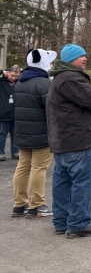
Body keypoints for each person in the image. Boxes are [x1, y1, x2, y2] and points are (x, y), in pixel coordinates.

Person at [47, 43, 91, 238]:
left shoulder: (61, 78)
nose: (85, 58)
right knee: (83, 182)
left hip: (63, 141)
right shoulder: (71, 78)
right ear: (71, 60)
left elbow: (83, 100)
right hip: (78, 141)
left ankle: (62, 222)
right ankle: (78, 224)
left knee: (63, 183)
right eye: (81, 56)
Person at [12, 49, 57, 218]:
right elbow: (52, 108)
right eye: (50, 62)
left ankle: (19, 204)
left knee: (23, 167)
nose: (51, 65)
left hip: (22, 131)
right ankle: (37, 205)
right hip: (41, 133)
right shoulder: (44, 83)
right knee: (39, 168)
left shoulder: (20, 82)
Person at [0, 65, 21, 160]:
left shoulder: (20, 83)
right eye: (12, 75)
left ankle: (15, 151)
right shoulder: (2, 82)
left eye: (16, 76)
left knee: (16, 134)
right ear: (8, 73)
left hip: (16, 113)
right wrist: (2, 72)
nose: (14, 78)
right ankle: (0, 152)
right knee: (2, 134)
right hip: (3, 113)